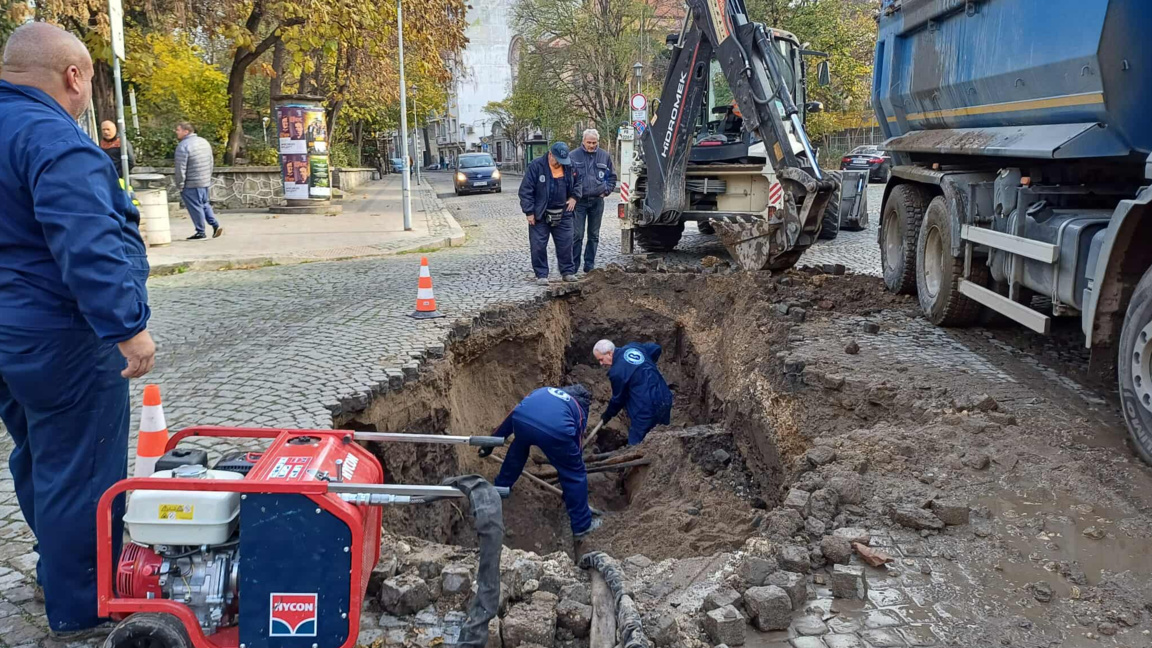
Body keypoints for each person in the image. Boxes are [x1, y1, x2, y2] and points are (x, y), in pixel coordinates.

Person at [0, 22, 156, 640]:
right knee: (84, 472)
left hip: (11, 336)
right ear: (74, 76)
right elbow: (87, 244)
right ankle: (85, 607)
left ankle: (57, 569)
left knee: (39, 455)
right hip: (59, 335)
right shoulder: (53, 140)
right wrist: (129, 327)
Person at [481, 385, 602, 538]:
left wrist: (491, 442)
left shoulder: (544, 391)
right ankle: (582, 526)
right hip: (555, 431)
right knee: (575, 473)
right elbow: (576, 442)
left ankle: (501, 487)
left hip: (522, 420)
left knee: (518, 447)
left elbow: (514, 413)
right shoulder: (579, 409)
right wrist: (571, 479)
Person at [518, 142, 579, 285]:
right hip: (541, 213)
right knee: (538, 245)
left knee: (566, 243)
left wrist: (574, 197)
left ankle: (568, 272)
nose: (560, 164)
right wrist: (529, 212)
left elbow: (578, 183)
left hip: (563, 213)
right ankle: (541, 274)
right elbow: (525, 191)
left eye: (562, 161)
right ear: (550, 154)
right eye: (557, 161)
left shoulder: (570, 166)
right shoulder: (536, 166)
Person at [594, 340, 673, 446]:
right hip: (665, 397)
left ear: (609, 353)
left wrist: (607, 415)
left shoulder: (616, 372)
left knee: (636, 443)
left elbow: (618, 399)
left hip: (645, 409)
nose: (601, 363)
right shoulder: (633, 347)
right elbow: (656, 348)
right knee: (664, 437)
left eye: (601, 359)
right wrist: (647, 367)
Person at [569, 129, 616, 273]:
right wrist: (571, 196)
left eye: (594, 143)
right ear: (583, 141)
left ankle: (589, 266)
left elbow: (612, 177)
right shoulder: (573, 156)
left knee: (594, 235)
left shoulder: (604, 156)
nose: (591, 145)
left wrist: (606, 190)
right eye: (589, 142)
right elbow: (567, 179)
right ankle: (573, 266)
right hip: (579, 202)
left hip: (597, 201)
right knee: (577, 235)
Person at [174, 121, 223, 240]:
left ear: (186, 131)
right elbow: (211, 161)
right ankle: (215, 225)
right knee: (204, 204)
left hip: (191, 182)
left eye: (178, 130)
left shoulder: (183, 146)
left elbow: (181, 168)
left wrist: (180, 184)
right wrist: (207, 177)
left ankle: (200, 231)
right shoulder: (204, 142)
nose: (176, 132)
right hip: (204, 181)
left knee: (195, 207)